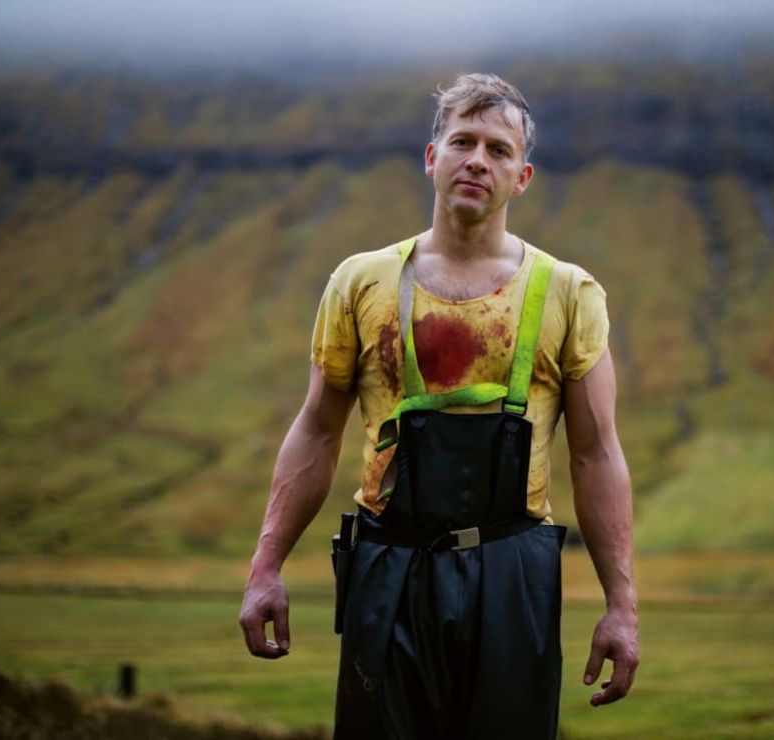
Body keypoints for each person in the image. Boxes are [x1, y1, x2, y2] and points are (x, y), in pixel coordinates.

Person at [239, 73, 638, 739]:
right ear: (433, 159)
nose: (478, 160)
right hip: (387, 570)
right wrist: (265, 568)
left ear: (523, 176)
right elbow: (315, 430)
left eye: (499, 150)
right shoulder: (360, 282)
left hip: (514, 577)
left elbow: (597, 455)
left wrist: (621, 606)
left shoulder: (569, 293)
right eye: (462, 142)